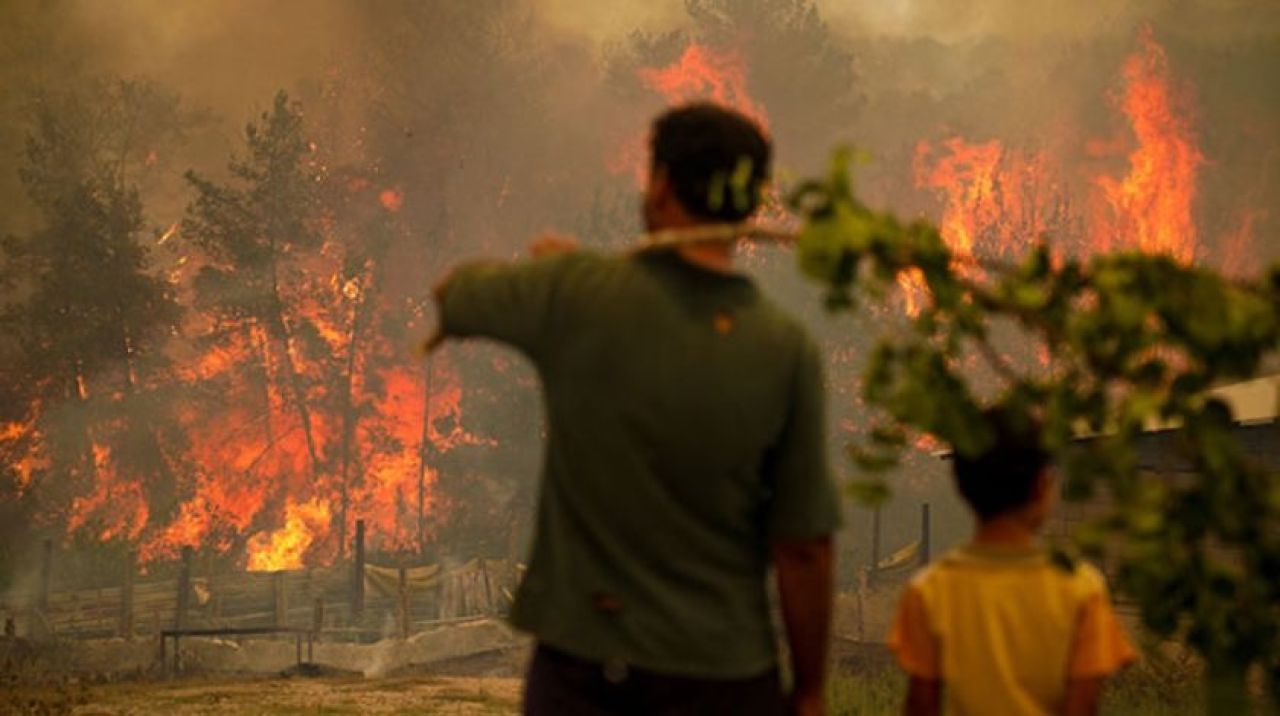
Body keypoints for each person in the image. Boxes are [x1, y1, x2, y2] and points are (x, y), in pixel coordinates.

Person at [433, 103, 841, 715]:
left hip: (588, 679)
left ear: (661, 186)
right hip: (725, 680)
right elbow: (803, 547)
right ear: (751, 207)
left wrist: (550, 270)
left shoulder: (578, 293)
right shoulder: (786, 347)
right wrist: (809, 690)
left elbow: (455, 299)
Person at [888, 409, 1136, 716]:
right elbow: (1082, 707)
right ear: (1042, 486)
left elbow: (921, 705)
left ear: (962, 488)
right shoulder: (1082, 589)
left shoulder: (930, 590)